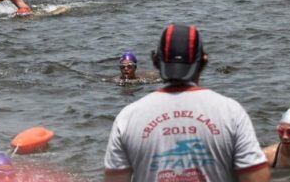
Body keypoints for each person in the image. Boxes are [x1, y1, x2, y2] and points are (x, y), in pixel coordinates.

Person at [104, 23, 270, 182]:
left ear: (155, 62)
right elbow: (256, 177)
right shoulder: (232, 112)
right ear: (204, 62)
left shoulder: (127, 117)